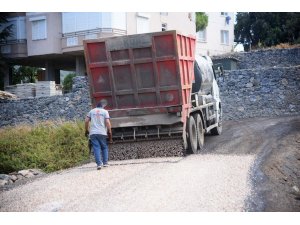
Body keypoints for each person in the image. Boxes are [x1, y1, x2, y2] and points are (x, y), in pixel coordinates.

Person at [85, 101, 112, 170]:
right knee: (104, 147)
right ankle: (105, 163)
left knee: (96, 148)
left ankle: (99, 164)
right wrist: (109, 131)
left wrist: (86, 130)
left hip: (93, 133)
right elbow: (108, 122)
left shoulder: (91, 111)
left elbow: (86, 121)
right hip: (102, 132)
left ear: (96, 106)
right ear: (102, 106)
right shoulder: (105, 111)